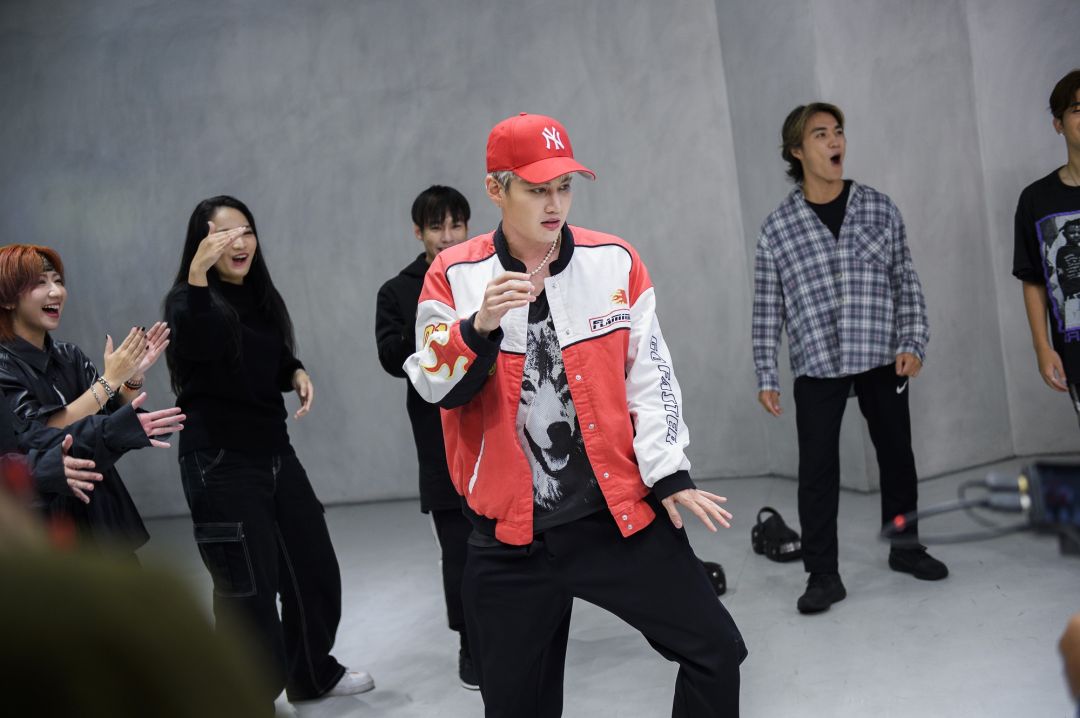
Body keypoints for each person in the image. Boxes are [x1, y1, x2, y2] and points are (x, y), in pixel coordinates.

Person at [405, 112, 746, 717]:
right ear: (496, 189)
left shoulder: (614, 261)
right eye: (537, 189)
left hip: (613, 518)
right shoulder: (454, 274)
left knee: (716, 651)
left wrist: (668, 471)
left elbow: (650, 376)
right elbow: (434, 386)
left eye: (563, 186)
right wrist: (478, 328)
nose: (554, 203)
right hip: (510, 540)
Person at [163, 196, 372, 709]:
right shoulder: (186, 300)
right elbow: (199, 346)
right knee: (247, 588)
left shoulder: (258, 295)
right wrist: (196, 276)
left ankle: (311, 675)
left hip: (274, 452)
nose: (240, 243)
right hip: (218, 460)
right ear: (201, 243)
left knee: (313, 568)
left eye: (247, 231)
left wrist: (295, 372)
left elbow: (272, 356)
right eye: (224, 234)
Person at [752, 102, 947, 615]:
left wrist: (913, 341)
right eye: (820, 134)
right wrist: (767, 373)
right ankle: (823, 575)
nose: (835, 141)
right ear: (797, 151)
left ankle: (905, 547)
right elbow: (767, 306)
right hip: (817, 359)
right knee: (817, 471)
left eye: (837, 131)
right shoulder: (778, 228)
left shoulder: (879, 209)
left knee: (897, 457)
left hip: (882, 352)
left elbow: (905, 281)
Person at [0, 244, 179, 555]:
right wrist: (109, 381)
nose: (56, 291)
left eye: (58, 281)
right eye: (40, 283)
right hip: (43, 521)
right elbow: (40, 434)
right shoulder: (4, 364)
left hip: (100, 513)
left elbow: (106, 418)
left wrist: (130, 378)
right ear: (7, 298)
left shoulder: (69, 355)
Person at [375, 184, 479, 689]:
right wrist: (435, 320)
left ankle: (516, 632)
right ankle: (470, 643)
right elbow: (391, 358)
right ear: (418, 232)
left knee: (516, 539)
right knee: (459, 549)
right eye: (437, 227)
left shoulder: (486, 272)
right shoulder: (397, 291)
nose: (448, 236)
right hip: (439, 439)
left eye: (456, 225)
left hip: (497, 428)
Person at [1014, 69, 1080, 426]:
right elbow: (1033, 279)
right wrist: (1042, 347)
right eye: (1077, 109)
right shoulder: (1036, 200)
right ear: (1058, 124)